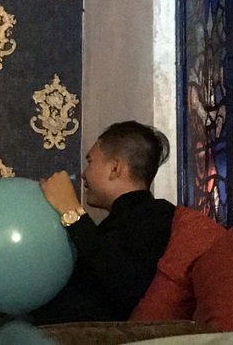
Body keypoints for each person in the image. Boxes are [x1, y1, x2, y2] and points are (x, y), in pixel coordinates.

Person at [30, 120, 176, 324]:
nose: (83, 174)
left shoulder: (156, 214)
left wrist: (70, 209)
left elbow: (123, 281)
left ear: (115, 168)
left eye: (90, 161)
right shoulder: (115, 223)